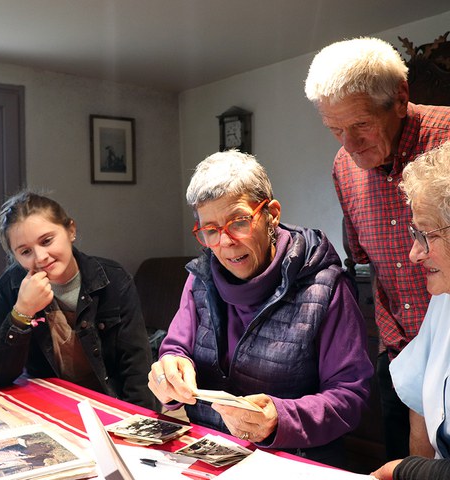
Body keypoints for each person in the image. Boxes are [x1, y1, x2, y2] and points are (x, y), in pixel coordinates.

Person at [148, 150, 373, 468]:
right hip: (210, 451)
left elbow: (350, 397)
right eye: (210, 230)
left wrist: (280, 419)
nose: (225, 242)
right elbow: (175, 348)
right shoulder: (200, 277)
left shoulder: (325, 286)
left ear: (272, 213)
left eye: (238, 222)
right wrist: (169, 370)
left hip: (294, 460)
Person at [304, 36, 450, 460]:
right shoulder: (343, 167)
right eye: (335, 130)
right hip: (398, 354)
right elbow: (361, 259)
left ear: (400, 99)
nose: (348, 145)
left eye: (361, 124)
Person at [0, 191, 156, 409]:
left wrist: (141, 425)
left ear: (70, 230)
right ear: (15, 257)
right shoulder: (10, 288)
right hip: (46, 407)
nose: (41, 257)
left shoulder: (113, 279)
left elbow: (136, 366)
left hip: (109, 403)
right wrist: (22, 311)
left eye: (47, 240)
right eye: (25, 251)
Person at [372, 141, 450, 479]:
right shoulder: (444, 300)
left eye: (424, 234)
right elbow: (421, 401)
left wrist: (406, 472)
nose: (414, 254)